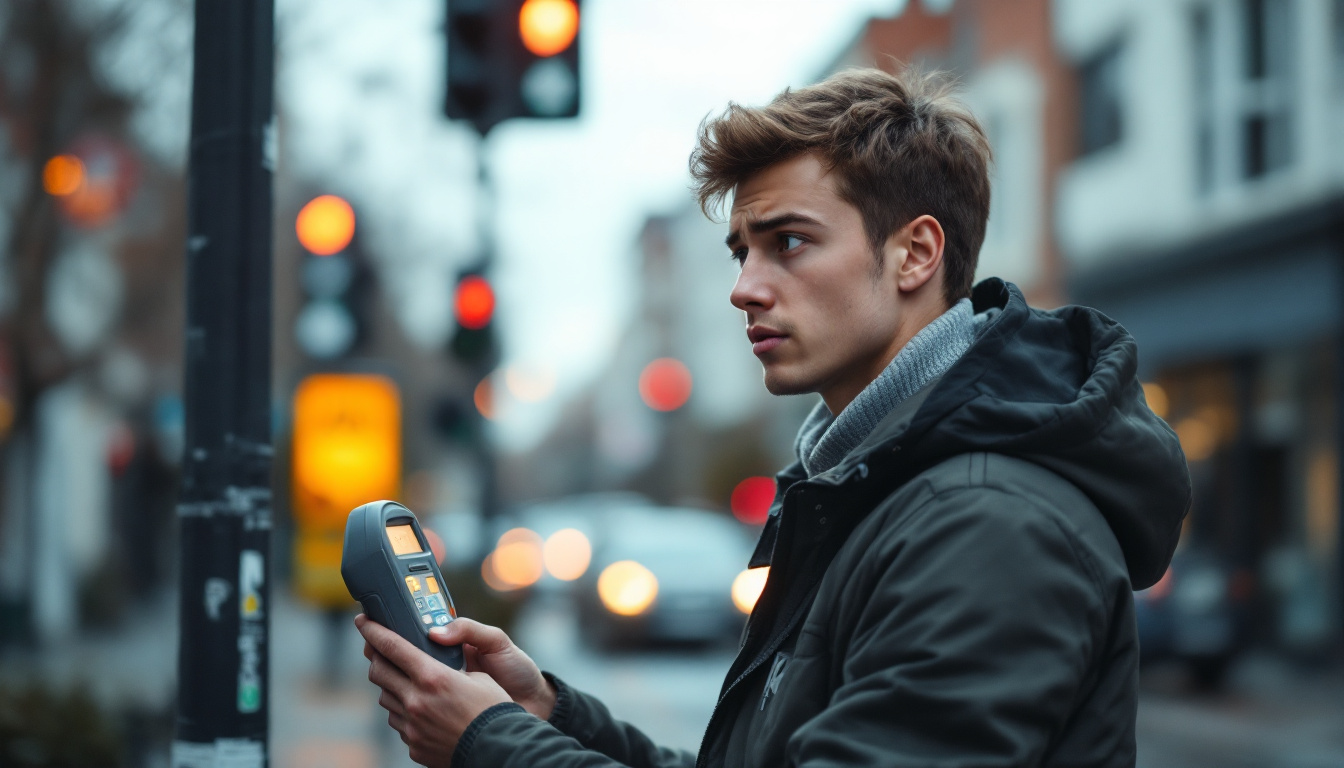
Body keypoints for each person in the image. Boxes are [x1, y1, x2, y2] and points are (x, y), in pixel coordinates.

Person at [356, 66, 1190, 768]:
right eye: (741, 251)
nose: (744, 288)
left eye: (788, 242)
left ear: (915, 254)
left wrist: (491, 745)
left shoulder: (990, 524)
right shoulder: (869, 489)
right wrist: (548, 714)